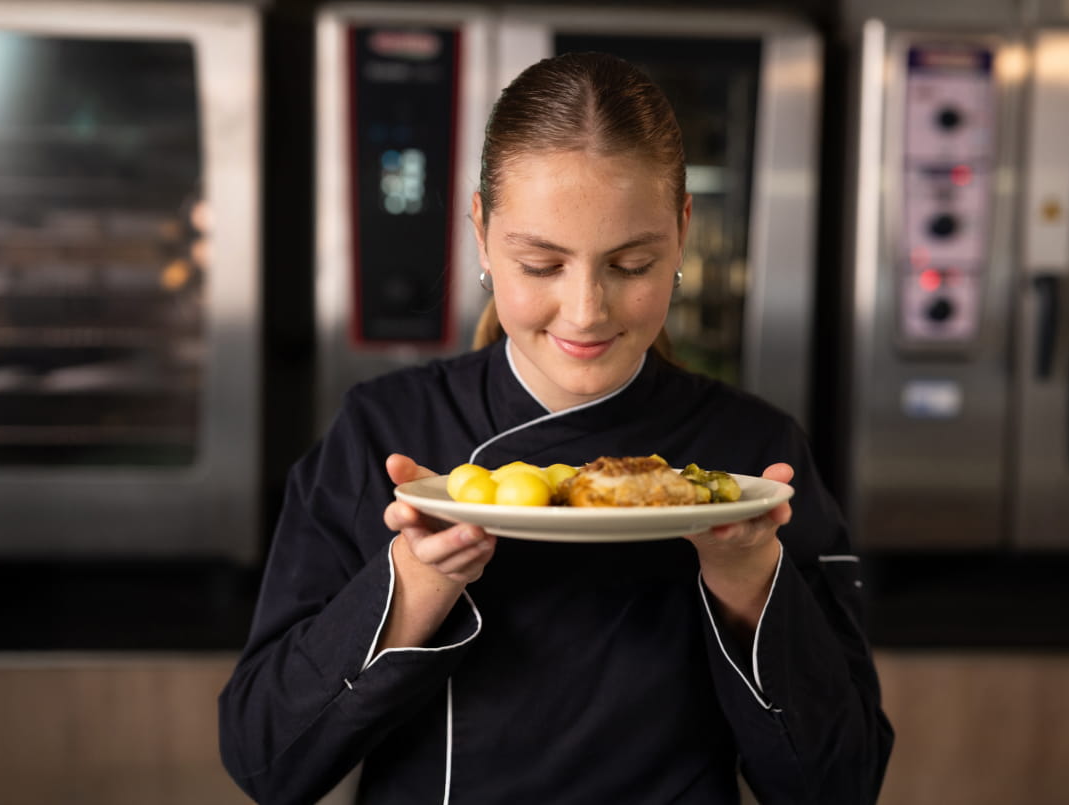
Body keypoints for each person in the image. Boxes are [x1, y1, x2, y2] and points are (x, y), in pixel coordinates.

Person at [220, 52, 893, 803]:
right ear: (481, 231)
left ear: (683, 230)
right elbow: (264, 757)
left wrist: (749, 581)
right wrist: (414, 581)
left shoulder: (753, 461)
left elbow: (843, 782)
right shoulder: (385, 431)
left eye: (631, 264)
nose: (585, 311)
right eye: (541, 264)